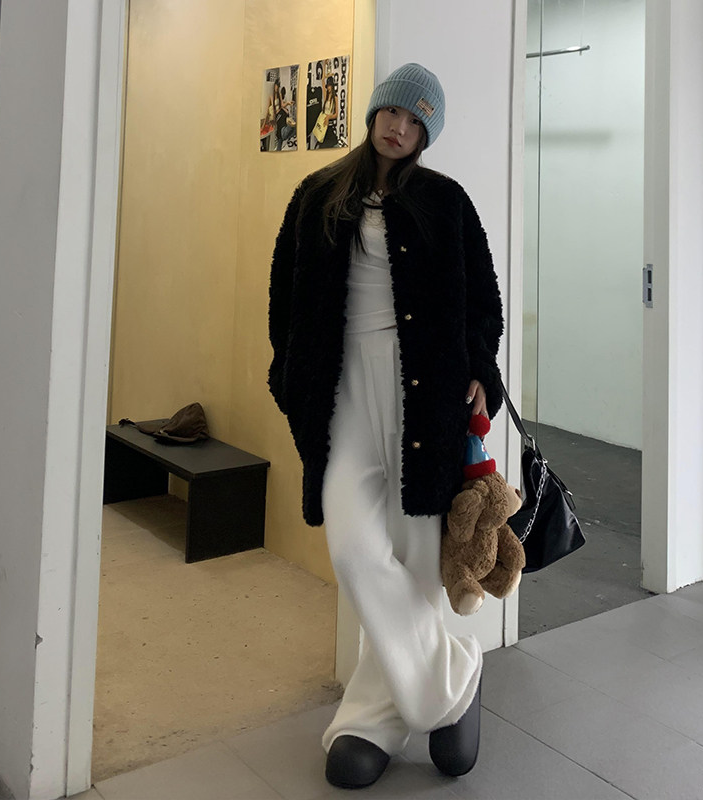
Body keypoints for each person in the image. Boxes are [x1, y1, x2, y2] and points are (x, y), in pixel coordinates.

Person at [267, 63, 504, 790]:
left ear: (426, 136)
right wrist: (287, 375)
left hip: (423, 396)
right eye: (393, 113)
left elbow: (483, 297)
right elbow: (283, 297)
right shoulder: (317, 195)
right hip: (343, 390)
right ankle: (452, 681)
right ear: (374, 114)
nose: (399, 128)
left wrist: (481, 367)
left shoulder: (445, 200)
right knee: (355, 550)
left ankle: (371, 720)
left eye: (416, 123)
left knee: (416, 558)